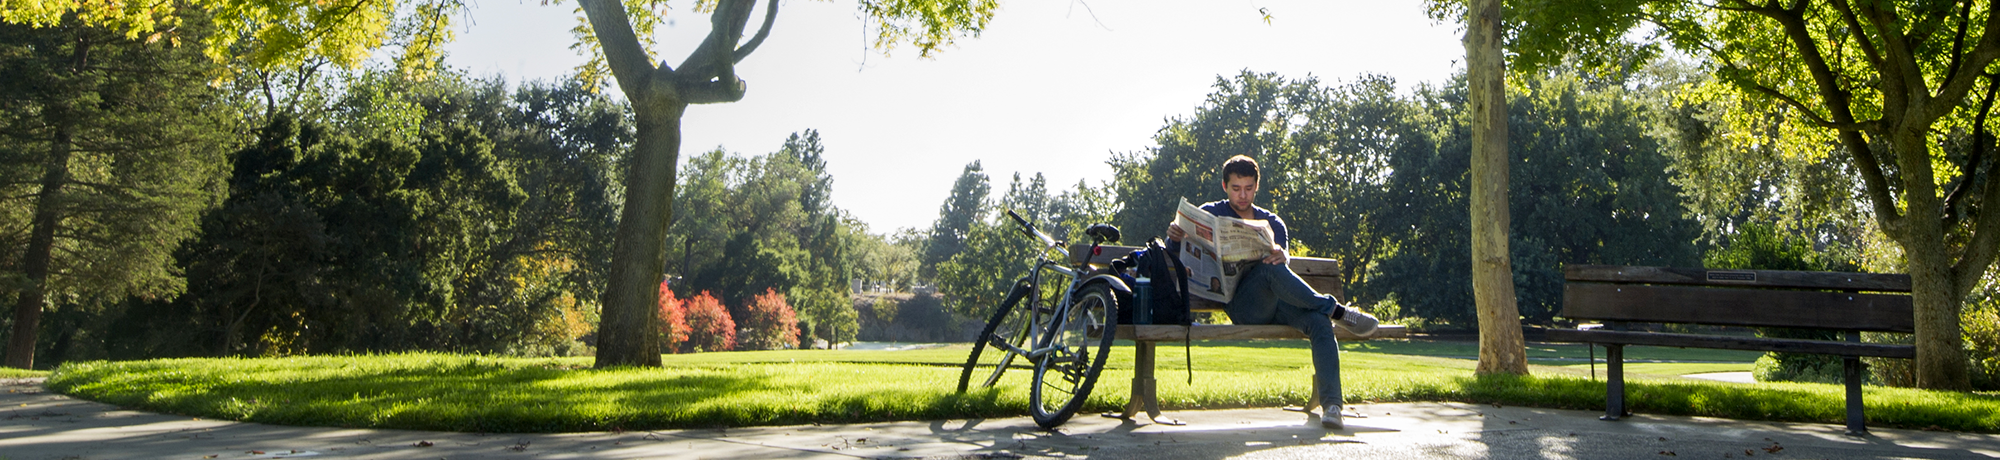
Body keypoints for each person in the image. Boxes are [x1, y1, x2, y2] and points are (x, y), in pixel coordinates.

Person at [1166, 155, 1379, 430]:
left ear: (1257, 187)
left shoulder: (1272, 223)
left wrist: (1282, 254)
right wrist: (1174, 238)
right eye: (1235, 188)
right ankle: (1337, 309)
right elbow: (1175, 255)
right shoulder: (1210, 214)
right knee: (1268, 273)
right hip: (1244, 307)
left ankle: (1333, 407)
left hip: (1281, 305)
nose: (1242, 195)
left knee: (1318, 322)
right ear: (1224, 186)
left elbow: (1284, 264)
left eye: (1248, 188)